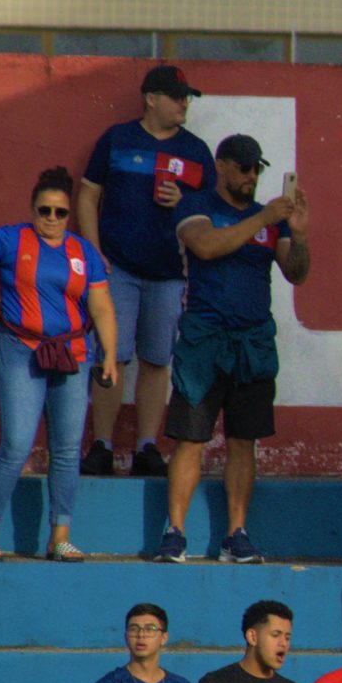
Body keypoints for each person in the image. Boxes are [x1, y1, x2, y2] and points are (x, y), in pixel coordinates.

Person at [159, 133, 310, 563]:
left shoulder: (271, 221)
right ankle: (175, 532)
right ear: (221, 166)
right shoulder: (196, 205)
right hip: (205, 339)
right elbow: (205, 247)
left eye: (255, 168)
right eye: (242, 167)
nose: (250, 176)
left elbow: (296, 273)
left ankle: (236, 533)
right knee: (191, 438)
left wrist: (297, 236)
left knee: (244, 441)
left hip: (254, 342)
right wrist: (262, 220)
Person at [0, 172, 118, 549]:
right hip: (20, 347)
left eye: (60, 211)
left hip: (73, 352)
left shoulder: (83, 251)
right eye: (45, 210)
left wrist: (108, 353)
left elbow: (102, 306)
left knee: (67, 448)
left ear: (69, 212)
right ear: (33, 208)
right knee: (16, 443)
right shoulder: (10, 239)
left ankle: (61, 536)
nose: (52, 218)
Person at [78, 64, 208, 477]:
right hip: (118, 269)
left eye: (187, 97)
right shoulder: (117, 139)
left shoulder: (197, 151)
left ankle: (147, 447)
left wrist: (182, 203)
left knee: (156, 358)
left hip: (170, 273)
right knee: (111, 355)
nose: (184, 103)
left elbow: (211, 213)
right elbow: (87, 196)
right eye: (177, 96)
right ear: (151, 99)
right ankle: (101, 444)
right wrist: (94, 254)